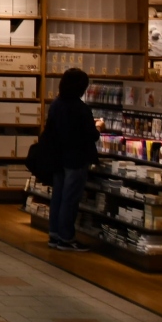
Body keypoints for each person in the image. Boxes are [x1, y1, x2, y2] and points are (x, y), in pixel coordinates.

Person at [44, 67, 102, 252]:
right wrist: (98, 127)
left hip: (57, 157)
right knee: (70, 199)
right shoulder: (80, 108)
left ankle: (54, 235)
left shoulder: (56, 104)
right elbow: (91, 135)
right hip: (76, 159)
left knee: (58, 197)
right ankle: (66, 238)